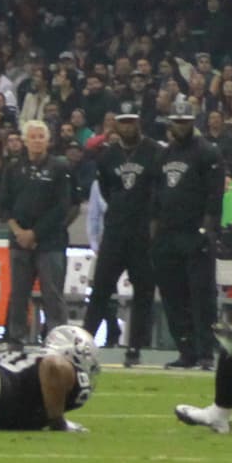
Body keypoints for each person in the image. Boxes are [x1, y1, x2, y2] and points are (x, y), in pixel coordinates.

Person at [83, 107, 159, 367]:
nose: (127, 127)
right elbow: (105, 188)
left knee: (144, 292)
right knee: (100, 290)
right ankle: (85, 344)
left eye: (131, 122)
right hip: (115, 231)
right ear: (116, 125)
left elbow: (158, 189)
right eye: (123, 123)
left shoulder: (154, 151)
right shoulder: (108, 156)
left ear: (138, 124)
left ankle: (135, 347)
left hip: (142, 233)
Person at [152, 108, 225, 369]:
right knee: (173, 296)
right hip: (168, 235)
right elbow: (156, 195)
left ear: (193, 122)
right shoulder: (164, 154)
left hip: (195, 233)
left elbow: (215, 195)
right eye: (177, 121)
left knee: (201, 296)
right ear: (170, 123)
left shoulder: (208, 152)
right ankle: (186, 350)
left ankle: (206, 352)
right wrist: (156, 233)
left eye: (185, 121)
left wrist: (206, 231)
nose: (180, 126)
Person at [0, 120, 73, 352]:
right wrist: (18, 232)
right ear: (24, 140)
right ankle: (15, 339)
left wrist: (36, 233)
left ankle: (58, 340)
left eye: (41, 136)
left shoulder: (60, 167)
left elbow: (63, 207)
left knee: (52, 293)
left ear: (48, 140)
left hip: (50, 241)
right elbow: (5, 205)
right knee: (19, 292)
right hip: (19, 240)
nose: (37, 140)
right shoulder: (12, 168)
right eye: (33, 136)